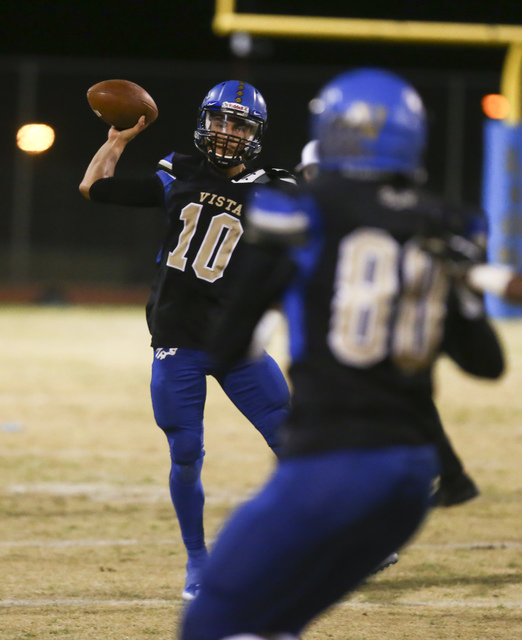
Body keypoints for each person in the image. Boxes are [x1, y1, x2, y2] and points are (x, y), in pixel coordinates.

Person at [179, 68, 505, 640]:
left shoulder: (302, 210)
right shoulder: (440, 222)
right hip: (410, 480)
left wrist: (266, 271)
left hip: (333, 463)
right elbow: (486, 364)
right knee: (276, 621)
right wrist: (464, 292)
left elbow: (227, 343)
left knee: (210, 623)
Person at [79, 80, 295, 601]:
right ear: (203, 122)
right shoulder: (176, 170)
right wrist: (118, 139)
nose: (226, 132)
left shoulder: (279, 187)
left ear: (256, 134)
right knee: (186, 452)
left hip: (237, 343)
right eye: (219, 120)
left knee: (297, 443)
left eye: (239, 124)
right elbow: (94, 188)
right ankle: (198, 562)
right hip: (177, 338)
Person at [295, 141, 482, 509]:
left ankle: (442, 478)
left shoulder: (357, 215)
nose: (315, 182)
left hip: (381, 325)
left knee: (393, 397)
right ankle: (452, 476)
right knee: (410, 399)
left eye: (318, 173)